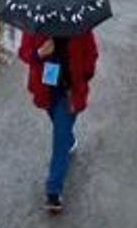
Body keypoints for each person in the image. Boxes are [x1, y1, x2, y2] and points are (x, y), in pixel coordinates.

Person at [17, 25, 99, 213]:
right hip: (46, 90)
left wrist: (84, 76)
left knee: (59, 138)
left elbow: (92, 53)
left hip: (70, 92)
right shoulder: (35, 25)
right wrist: (40, 53)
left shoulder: (79, 25)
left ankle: (53, 191)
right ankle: (70, 141)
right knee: (62, 131)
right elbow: (24, 53)